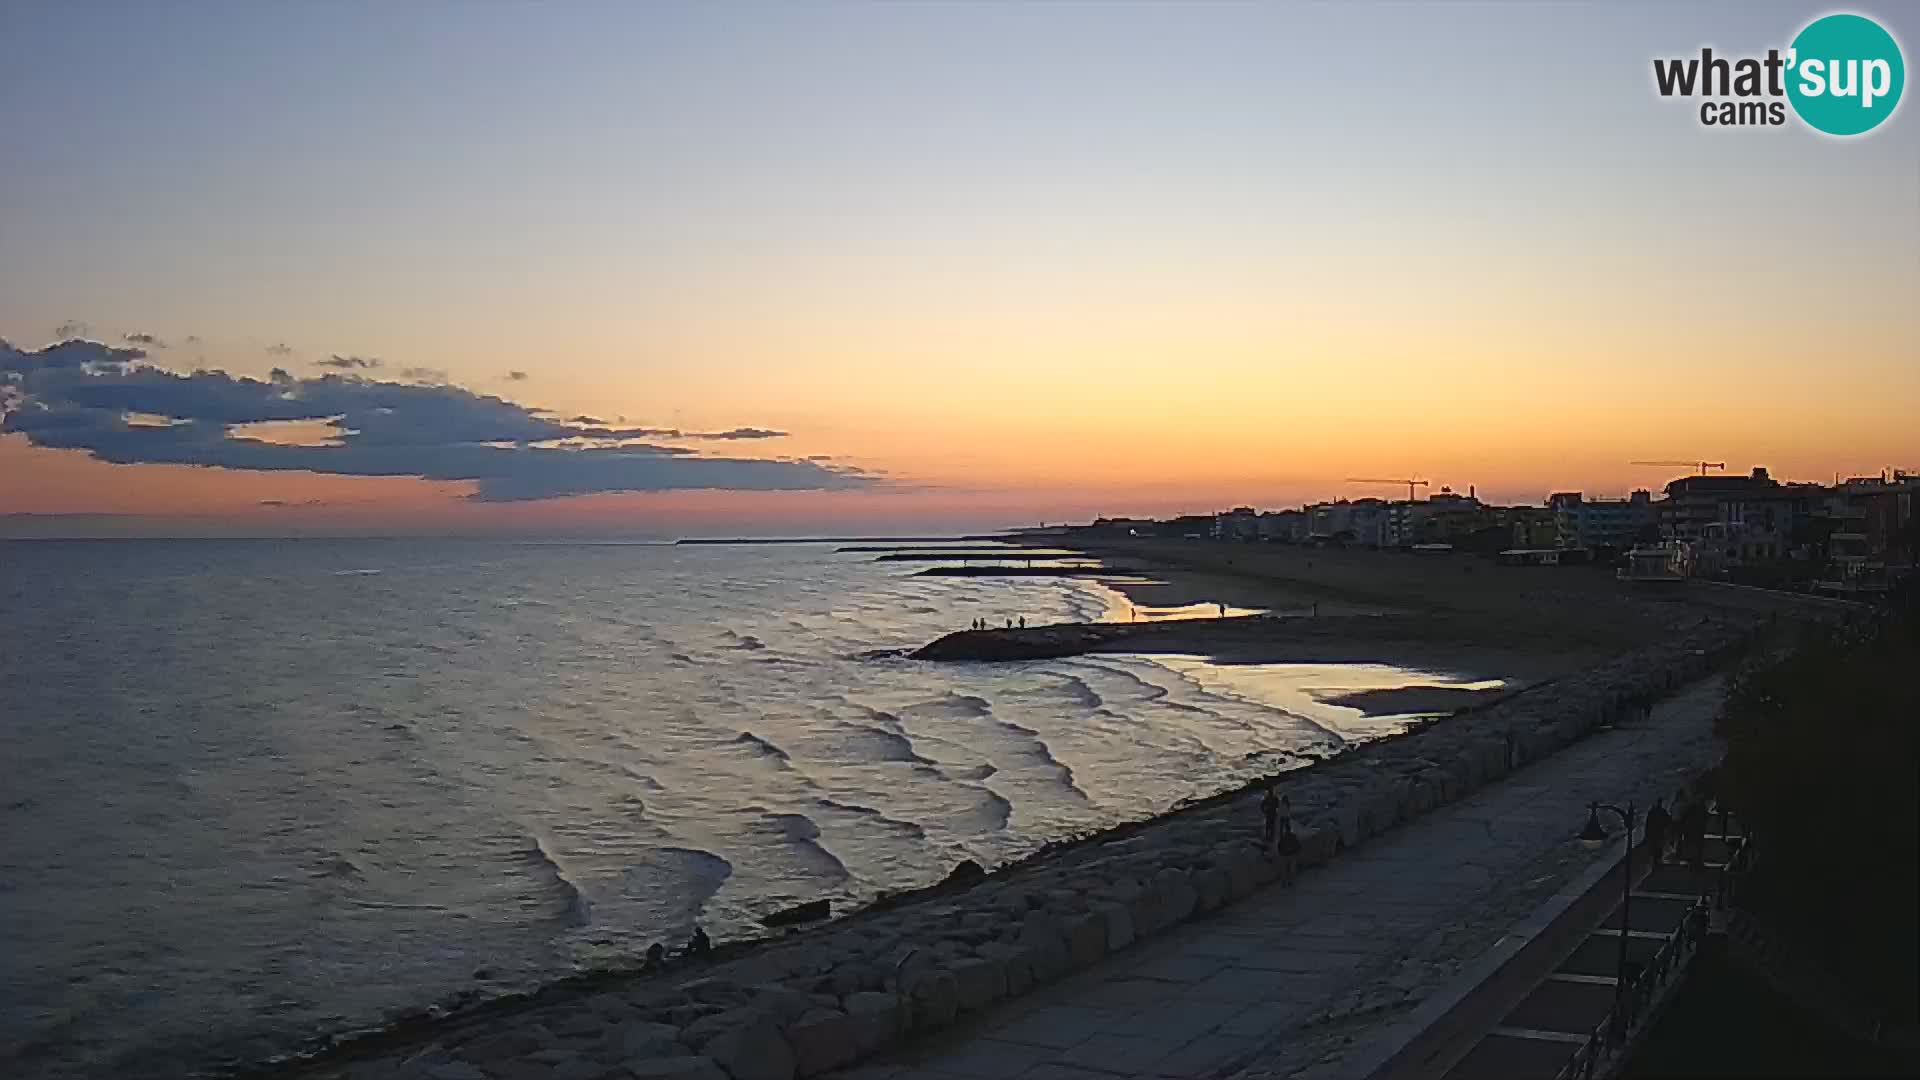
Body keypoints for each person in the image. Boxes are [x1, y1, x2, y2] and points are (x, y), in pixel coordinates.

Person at [1644, 798, 1671, 866]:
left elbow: (1648, 824)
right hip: (1660, 832)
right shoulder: (1663, 811)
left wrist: (1646, 834)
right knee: (1659, 847)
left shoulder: (1651, 812)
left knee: (1654, 847)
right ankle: (1658, 861)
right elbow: (1668, 821)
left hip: (1653, 832)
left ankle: (1655, 862)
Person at [1260, 786, 1280, 850]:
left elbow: (1262, 806)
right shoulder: (1274, 798)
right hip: (1272, 813)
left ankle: (1268, 837)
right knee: (1271, 826)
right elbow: (1278, 805)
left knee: (1268, 826)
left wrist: (1264, 811)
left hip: (1269, 813)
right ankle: (1271, 838)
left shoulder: (1267, 798)